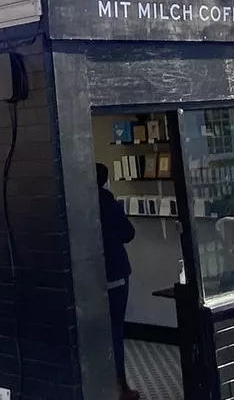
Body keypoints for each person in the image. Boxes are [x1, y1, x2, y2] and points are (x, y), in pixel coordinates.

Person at [96, 163, 140, 400]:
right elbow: (128, 233)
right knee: (115, 330)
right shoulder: (109, 204)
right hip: (115, 272)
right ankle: (120, 386)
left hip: (91, 275)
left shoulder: (81, 204)